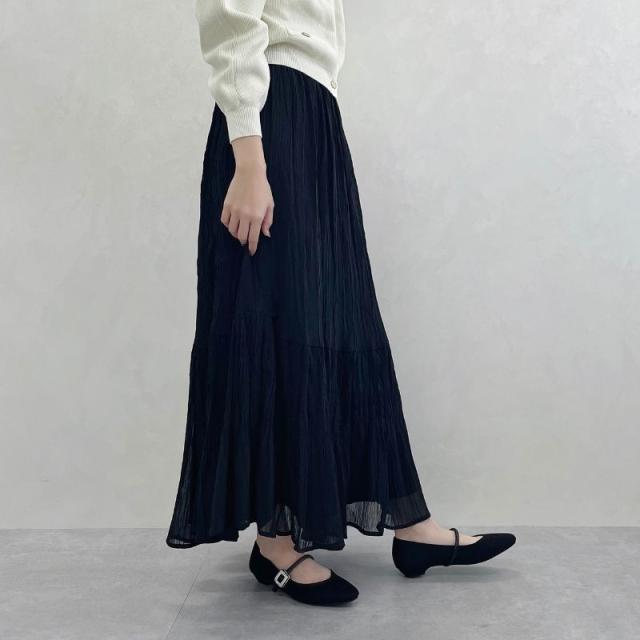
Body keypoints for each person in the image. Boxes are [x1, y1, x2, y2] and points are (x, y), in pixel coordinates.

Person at [166, 0, 516, 606]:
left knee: (343, 323)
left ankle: (410, 523)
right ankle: (275, 541)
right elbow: (229, 16)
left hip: (315, 115)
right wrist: (249, 156)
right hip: (270, 118)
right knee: (281, 325)